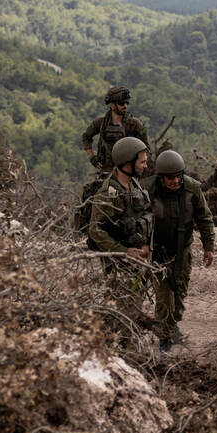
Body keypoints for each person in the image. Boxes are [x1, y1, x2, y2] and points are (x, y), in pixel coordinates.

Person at [141, 150, 216, 352]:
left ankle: (171, 325)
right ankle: (164, 337)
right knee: (164, 295)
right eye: (170, 177)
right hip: (157, 251)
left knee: (179, 293)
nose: (175, 180)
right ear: (161, 177)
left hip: (182, 249)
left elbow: (205, 218)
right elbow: (135, 220)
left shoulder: (192, 189)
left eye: (178, 176)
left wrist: (208, 247)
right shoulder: (147, 190)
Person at [88, 136, 153, 324]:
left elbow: (146, 214)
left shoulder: (134, 185)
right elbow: (95, 230)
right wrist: (124, 252)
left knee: (134, 303)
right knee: (122, 308)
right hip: (117, 262)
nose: (145, 166)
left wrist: (145, 244)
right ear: (127, 163)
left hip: (136, 258)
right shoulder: (108, 193)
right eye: (142, 162)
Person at [81, 86, 149, 172]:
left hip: (128, 172)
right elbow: (86, 137)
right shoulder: (100, 123)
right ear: (111, 105)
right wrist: (92, 157)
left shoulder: (136, 124)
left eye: (127, 103)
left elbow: (146, 148)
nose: (125, 106)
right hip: (106, 171)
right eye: (121, 103)